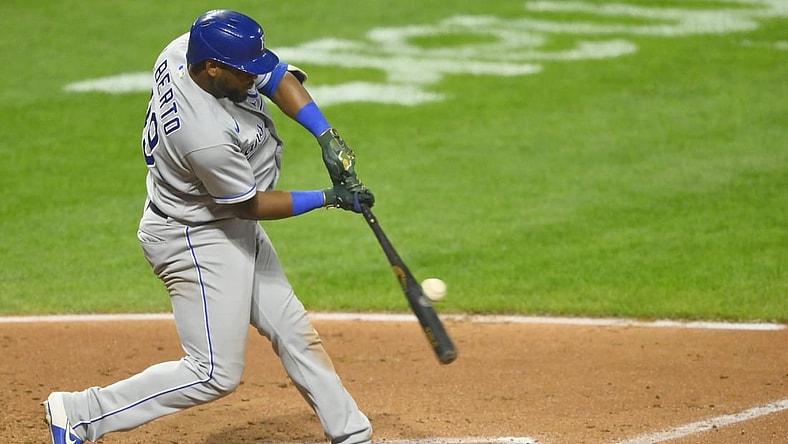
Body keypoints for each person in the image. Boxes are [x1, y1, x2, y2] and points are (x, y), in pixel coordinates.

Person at [43, 9, 375, 444]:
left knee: (291, 326)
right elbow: (249, 205)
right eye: (244, 72)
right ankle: (80, 413)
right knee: (213, 372)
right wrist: (329, 199)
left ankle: (350, 433)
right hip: (194, 237)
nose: (253, 78)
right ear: (214, 68)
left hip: (216, 222)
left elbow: (274, 75)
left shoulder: (187, 49)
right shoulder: (205, 136)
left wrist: (326, 135)